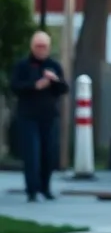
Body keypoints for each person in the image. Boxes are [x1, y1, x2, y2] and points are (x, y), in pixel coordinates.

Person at [10, 32, 68, 202]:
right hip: (28, 116)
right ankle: (32, 190)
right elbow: (15, 87)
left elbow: (63, 89)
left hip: (49, 116)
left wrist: (55, 80)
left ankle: (45, 188)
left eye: (44, 47)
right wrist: (35, 86)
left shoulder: (53, 65)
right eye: (38, 46)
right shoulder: (23, 66)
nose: (41, 50)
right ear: (32, 47)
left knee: (48, 154)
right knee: (32, 154)